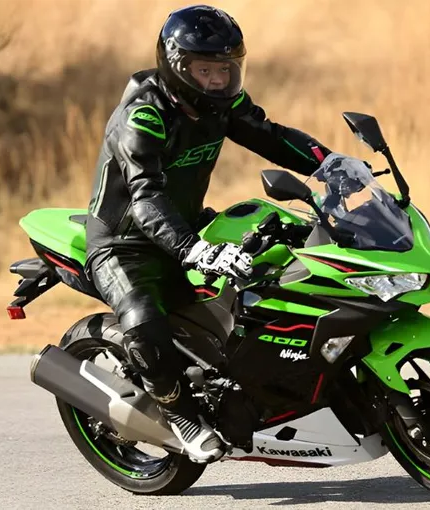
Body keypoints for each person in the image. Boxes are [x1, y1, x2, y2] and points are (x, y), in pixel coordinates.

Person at [83, 4, 334, 463]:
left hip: (186, 226)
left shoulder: (221, 102)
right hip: (124, 243)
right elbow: (143, 198)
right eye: (206, 69)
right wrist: (195, 249)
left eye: (226, 69)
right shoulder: (143, 116)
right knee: (142, 318)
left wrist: (330, 163)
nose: (219, 80)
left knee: (274, 270)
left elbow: (270, 135)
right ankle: (176, 411)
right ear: (177, 67)